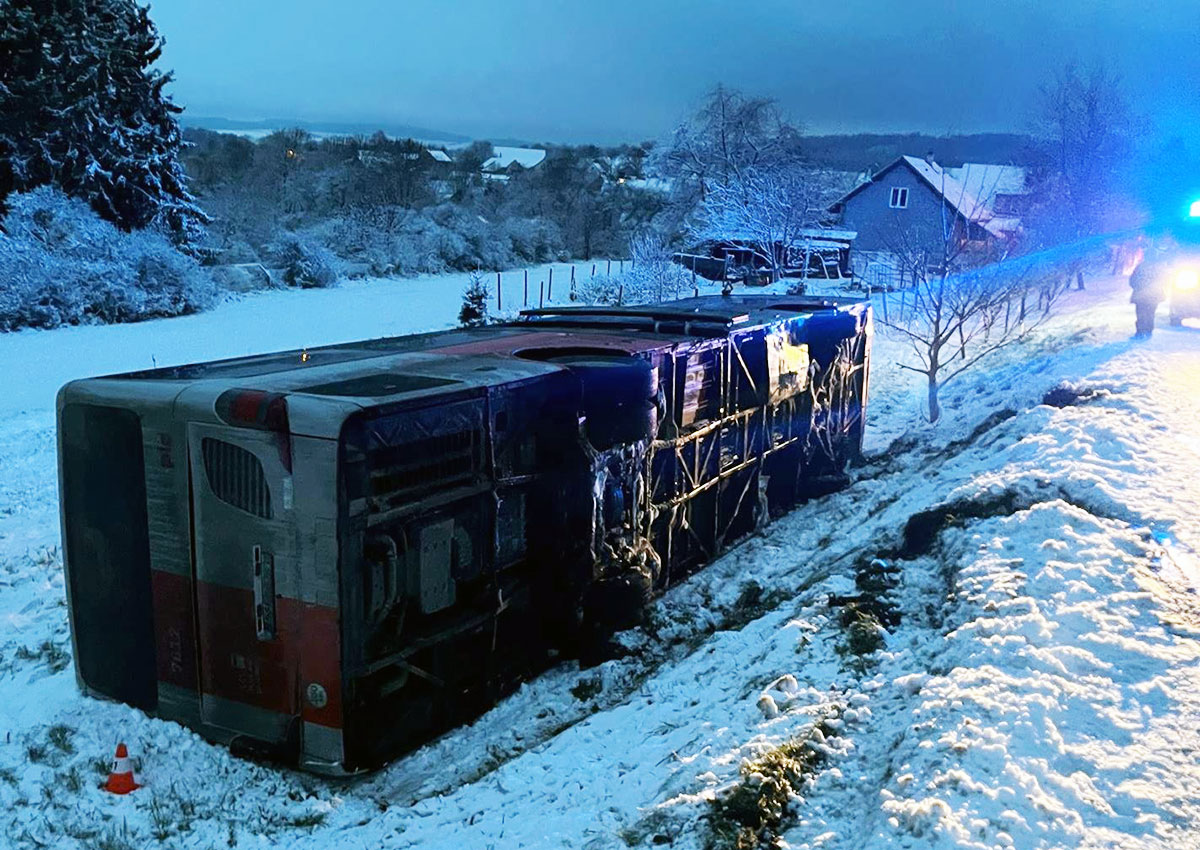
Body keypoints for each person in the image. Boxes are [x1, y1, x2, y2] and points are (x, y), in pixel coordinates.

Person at [1128, 241, 1172, 339]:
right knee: (1150, 314)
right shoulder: (1159, 268)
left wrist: (1138, 287)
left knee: (1141, 314)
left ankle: (1140, 331)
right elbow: (1164, 281)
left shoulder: (1140, 267)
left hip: (1141, 296)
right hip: (1153, 297)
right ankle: (1148, 331)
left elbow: (1132, 280)